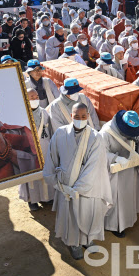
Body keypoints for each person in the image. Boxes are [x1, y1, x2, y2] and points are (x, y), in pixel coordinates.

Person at [44, 102, 111, 260]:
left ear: (87, 116)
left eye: (83, 116)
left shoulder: (96, 137)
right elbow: (52, 158)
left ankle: (87, 240)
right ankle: (74, 243)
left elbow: (94, 167)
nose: (80, 119)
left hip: (87, 188)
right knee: (71, 217)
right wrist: (56, 182)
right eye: (76, 116)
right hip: (65, 185)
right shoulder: (60, 133)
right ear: (71, 116)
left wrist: (78, 189)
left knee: (87, 214)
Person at [100, 110, 139, 237]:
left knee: (129, 197)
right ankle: (114, 226)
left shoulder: (135, 127)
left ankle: (128, 219)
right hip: (114, 173)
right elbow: (100, 152)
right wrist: (115, 158)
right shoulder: (106, 132)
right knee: (116, 200)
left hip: (130, 169)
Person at [22, 87, 55, 211]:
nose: (35, 99)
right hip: (29, 151)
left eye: (37, 97)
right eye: (32, 97)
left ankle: (47, 197)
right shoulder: (22, 114)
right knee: (31, 175)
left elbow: (50, 130)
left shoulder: (44, 112)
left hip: (45, 148)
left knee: (45, 173)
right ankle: (32, 200)